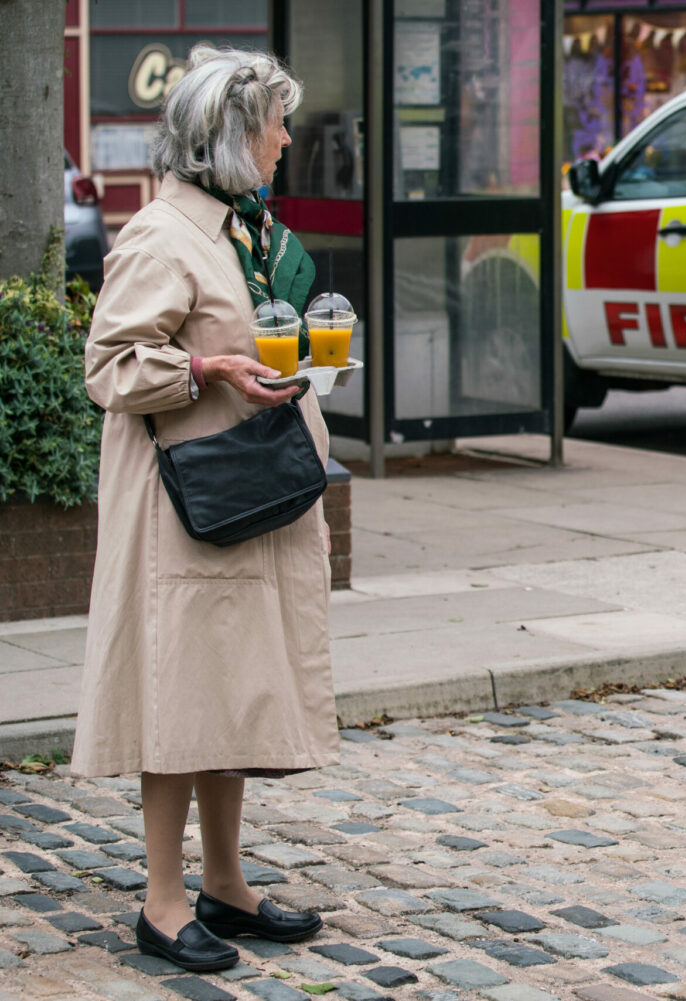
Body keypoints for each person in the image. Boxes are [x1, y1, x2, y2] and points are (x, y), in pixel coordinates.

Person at [74, 45, 336, 972]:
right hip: (184, 504)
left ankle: (224, 883)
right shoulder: (163, 234)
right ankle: (161, 898)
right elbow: (109, 368)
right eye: (276, 124)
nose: (285, 140)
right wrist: (206, 367)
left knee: (229, 689)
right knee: (180, 696)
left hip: (249, 490)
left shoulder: (241, 231)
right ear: (233, 136)